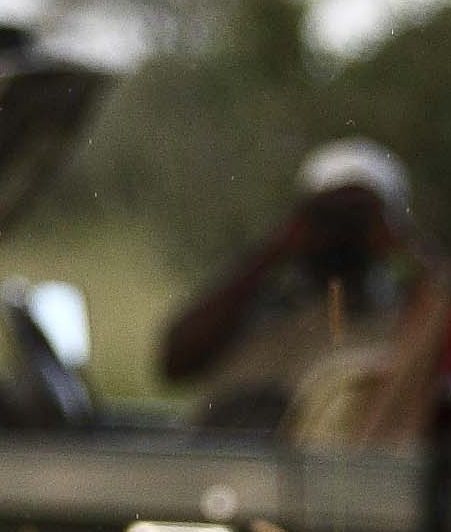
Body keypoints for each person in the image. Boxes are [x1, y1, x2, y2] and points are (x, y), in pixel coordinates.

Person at [159, 140, 425, 432]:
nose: (343, 231)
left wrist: (413, 252)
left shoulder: (410, 316)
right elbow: (174, 363)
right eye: (329, 215)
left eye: (361, 218)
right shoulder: (254, 303)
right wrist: (272, 252)